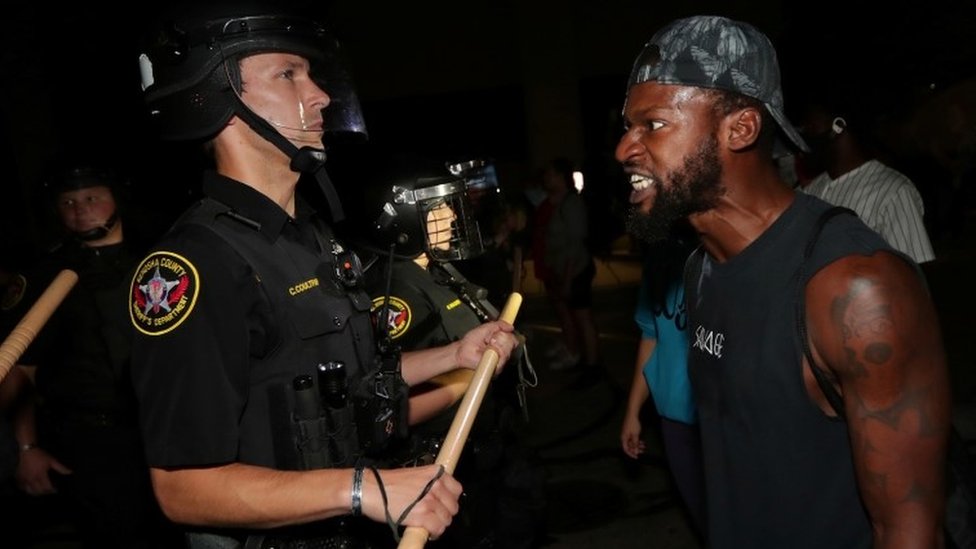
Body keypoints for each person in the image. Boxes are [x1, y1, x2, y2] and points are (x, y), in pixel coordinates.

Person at [130, 4, 518, 548]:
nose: (320, 95)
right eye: (288, 74)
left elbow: (353, 381)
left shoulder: (310, 236)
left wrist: (454, 357)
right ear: (218, 99)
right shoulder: (197, 265)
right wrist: (360, 490)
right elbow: (182, 489)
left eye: (310, 74)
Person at [616, 15, 951, 548]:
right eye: (627, 126)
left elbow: (908, 531)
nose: (624, 149)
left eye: (652, 124)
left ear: (741, 129)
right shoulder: (701, 268)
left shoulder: (856, 288)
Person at [343, 163, 545, 549]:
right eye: (438, 209)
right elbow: (391, 404)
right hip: (454, 459)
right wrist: (467, 383)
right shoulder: (397, 292)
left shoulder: (437, 270)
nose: (452, 215)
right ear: (403, 222)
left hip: (492, 443)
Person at [0, 164, 180, 548]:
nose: (81, 209)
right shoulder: (46, 276)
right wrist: (26, 450)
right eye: (68, 202)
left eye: (92, 197)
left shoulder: (163, 258)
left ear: (116, 198)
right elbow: (19, 369)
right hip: (93, 442)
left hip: (168, 428)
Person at [619, 218, 704, 539]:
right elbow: (650, 335)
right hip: (672, 416)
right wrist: (632, 412)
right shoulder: (658, 259)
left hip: (716, 416)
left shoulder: (716, 255)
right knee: (700, 516)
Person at [797, 94, 937, 264]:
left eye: (812, 126)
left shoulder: (893, 191)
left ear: (838, 126)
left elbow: (915, 273)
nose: (805, 136)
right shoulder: (811, 191)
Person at [529, 157, 601, 385]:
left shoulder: (572, 203)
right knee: (576, 318)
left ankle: (592, 366)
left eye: (550, 174)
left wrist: (568, 279)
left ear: (561, 177)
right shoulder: (558, 202)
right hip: (567, 271)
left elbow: (574, 246)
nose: (546, 178)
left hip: (577, 270)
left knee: (583, 318)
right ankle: (585, 360)